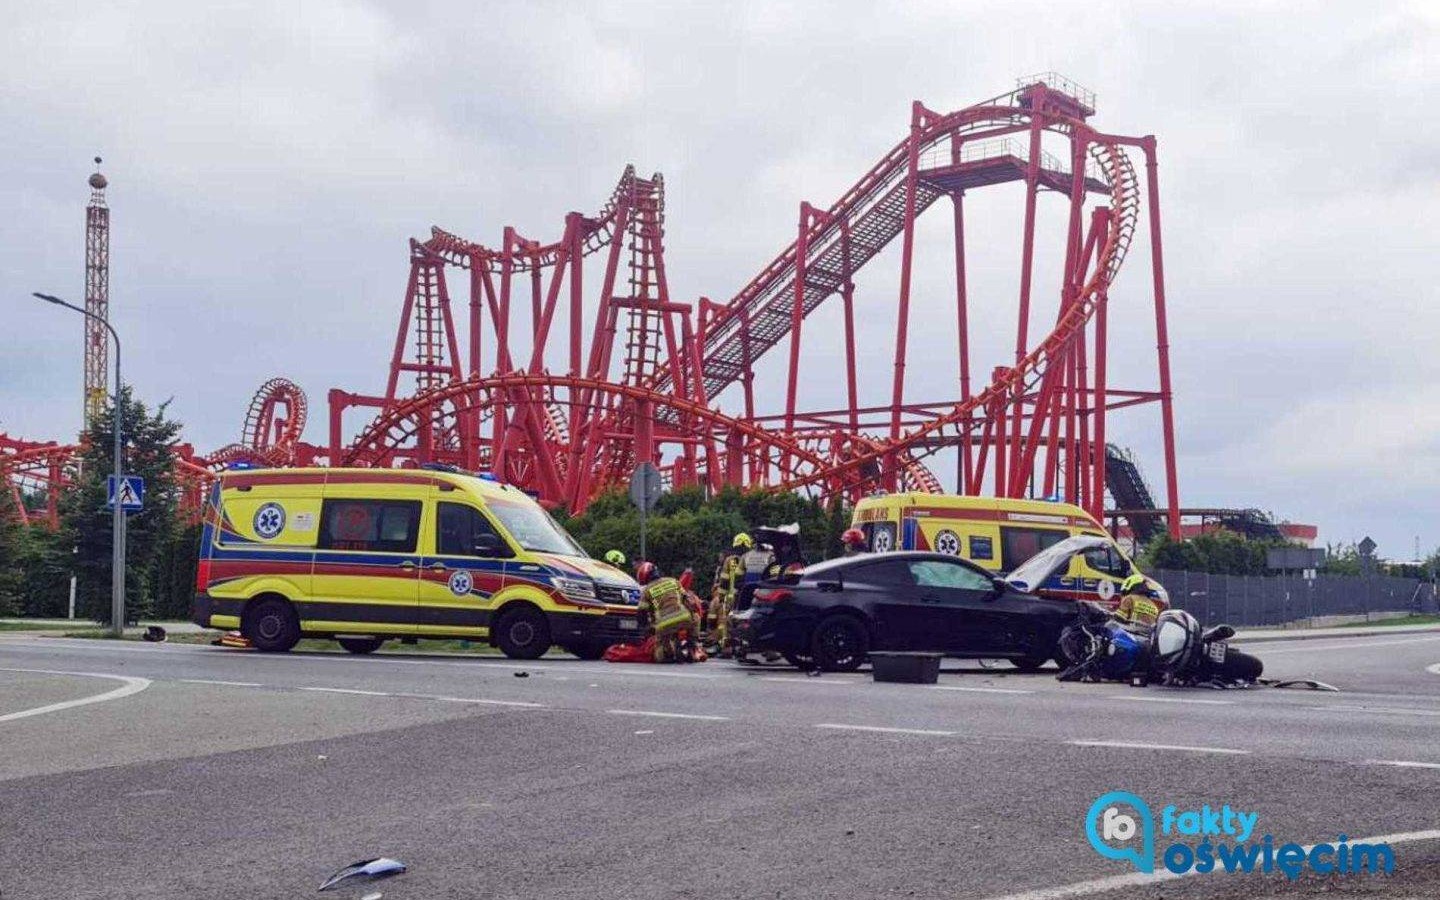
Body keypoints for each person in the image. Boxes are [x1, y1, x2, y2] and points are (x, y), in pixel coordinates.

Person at [635, 561, 693, 663]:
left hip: (664, 623)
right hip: (684, 617)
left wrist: (646, 628)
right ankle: (690, 646)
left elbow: (641, 613)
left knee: (660, 649)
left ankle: (668, 653)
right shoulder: (673, 581)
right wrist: (691, 617)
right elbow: (687, 600)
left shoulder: (647, 590)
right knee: (688, 629)